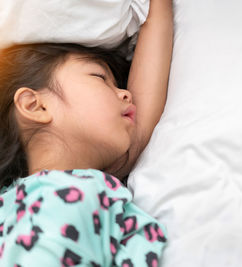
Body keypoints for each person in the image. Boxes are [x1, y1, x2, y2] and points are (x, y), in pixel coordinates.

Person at [0, 0, 173, 266]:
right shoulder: (56, 198)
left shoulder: (64, 191)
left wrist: (159, 8)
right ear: (35, 105)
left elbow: (138, 128)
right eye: (99, 77)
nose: (126, 94)